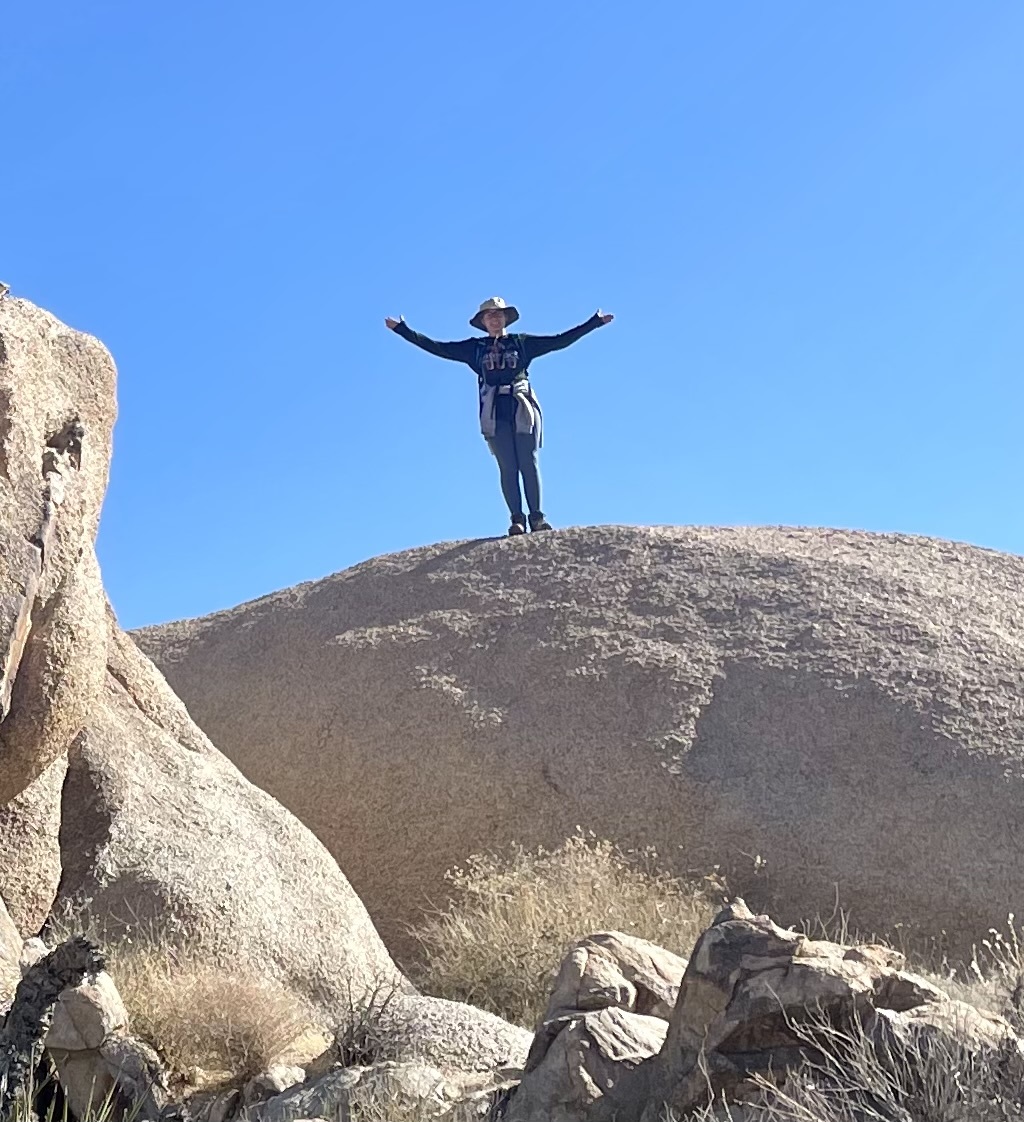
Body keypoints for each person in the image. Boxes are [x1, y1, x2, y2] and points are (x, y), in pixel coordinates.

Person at [385, 297, 613, 535]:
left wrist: (593, 323)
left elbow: (559, 341)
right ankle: (516, 519)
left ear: (506, 318)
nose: (494, 318)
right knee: (507, 466)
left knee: (528, 461)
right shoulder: (475, 348)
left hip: (521, 407)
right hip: (494, 411)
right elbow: (438, 347)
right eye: (489, 315)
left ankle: (537, 518)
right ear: (483, 321)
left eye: (498, 314)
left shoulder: (521, 343)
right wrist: (403, 330)